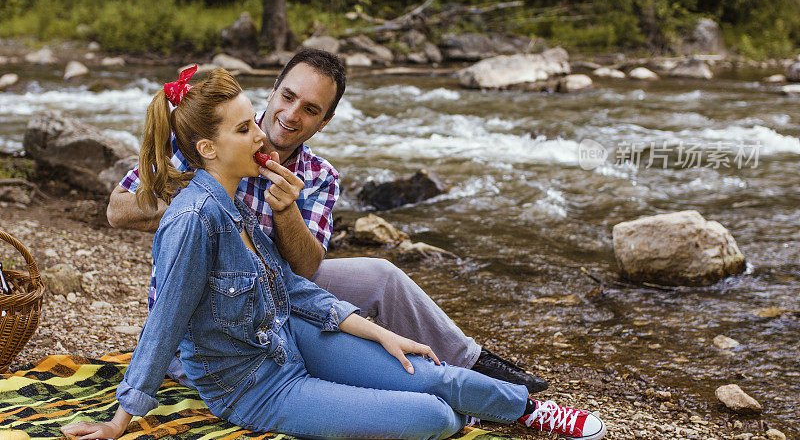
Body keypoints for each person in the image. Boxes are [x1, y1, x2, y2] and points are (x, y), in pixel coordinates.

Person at [62, 68, 605, 440]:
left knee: (433, 373)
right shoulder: (190, 219)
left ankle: (532, 412)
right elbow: (165, 322)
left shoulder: (243, 199)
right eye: (247, 127)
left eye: (255, 120)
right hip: (254, 386)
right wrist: (120, 421)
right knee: (436, 418)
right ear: (207, 149)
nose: (263, 135)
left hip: (288, 335)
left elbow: (295, 284)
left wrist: (378, 332)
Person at [106, 49, 547, 393]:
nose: (291, 115)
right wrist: (209, 198)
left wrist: (286, 211)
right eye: (288, 96)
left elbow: (307, 268)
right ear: (272, 90)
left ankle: (473, 364)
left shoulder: (320, 176)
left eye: (311, 110)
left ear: (326, 121)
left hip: (281, 289)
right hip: (212, 305)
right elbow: (117, 209)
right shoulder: (206, 133)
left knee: (382, 275)